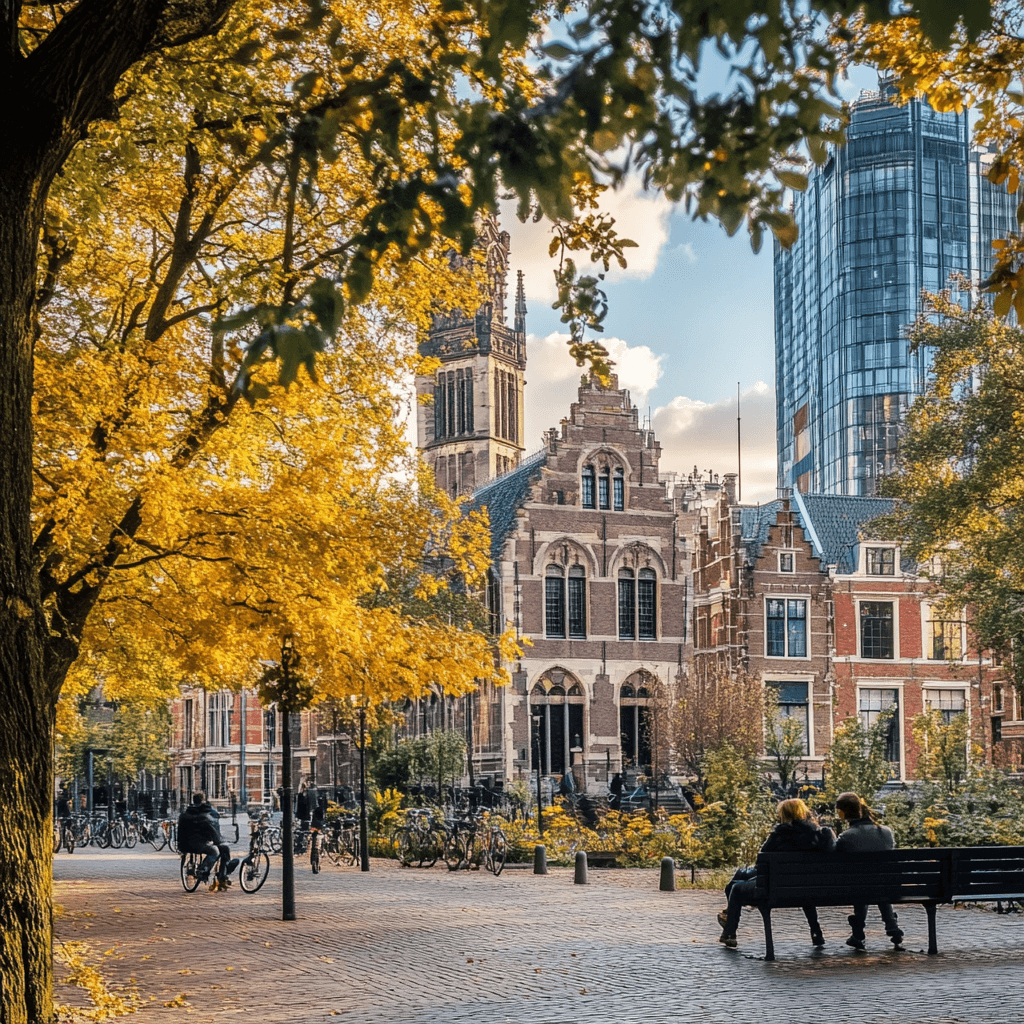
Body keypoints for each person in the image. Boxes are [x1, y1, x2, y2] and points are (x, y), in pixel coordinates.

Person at [718, 798, 835, 949]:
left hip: (775, 889)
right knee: (801, 885)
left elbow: (761, 863)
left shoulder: (779, 835)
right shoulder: (819, 835)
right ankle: (816, 932)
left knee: (735, 887)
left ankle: (730, 933)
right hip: (809, 887)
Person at [834, 791, 904, 950]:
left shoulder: (847, 836)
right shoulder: (886, 832)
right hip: (888, 885)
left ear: (843, 812)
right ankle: (891, 926)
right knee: (877, 881)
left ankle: (858, 931)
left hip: (858, 887)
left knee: (863, 882)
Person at [178, 793, 237, 892]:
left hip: (184, 845)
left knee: (224, 849)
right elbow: (214, 834)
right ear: (203, 801)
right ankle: (205, 870)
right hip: (198, 844)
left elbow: (179, 831)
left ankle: (222, 876)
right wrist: (218, 841)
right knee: (215, 851)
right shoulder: (206, 816)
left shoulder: (184, 814)